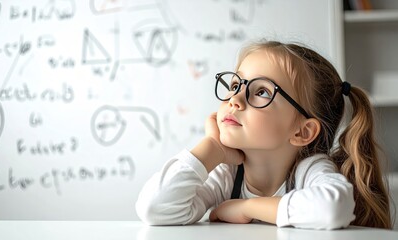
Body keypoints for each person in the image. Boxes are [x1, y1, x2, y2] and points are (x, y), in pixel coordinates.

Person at [135, 40, 392, 229]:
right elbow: (154, 208)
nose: (234, 98)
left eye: (262, 92)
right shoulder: (227, 176)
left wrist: (245, 208)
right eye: (236, 84)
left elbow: (334, 209)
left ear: (302, 131)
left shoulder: (308, 171)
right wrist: (212, 147)